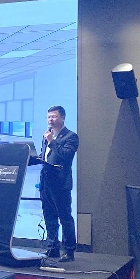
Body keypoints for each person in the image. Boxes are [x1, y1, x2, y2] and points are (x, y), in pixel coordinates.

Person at [38, 106, 79, 262]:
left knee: (65, 217)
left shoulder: (71, 136)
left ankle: (69, 251)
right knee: (49, 216)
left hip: (60, 183)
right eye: (48, 117)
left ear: (62, 118)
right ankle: (52, 248)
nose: (50, 120)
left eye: (54, 116)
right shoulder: (46, 135)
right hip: (46, 182)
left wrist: (51, 141)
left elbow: (66, 155)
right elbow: (45, 156)